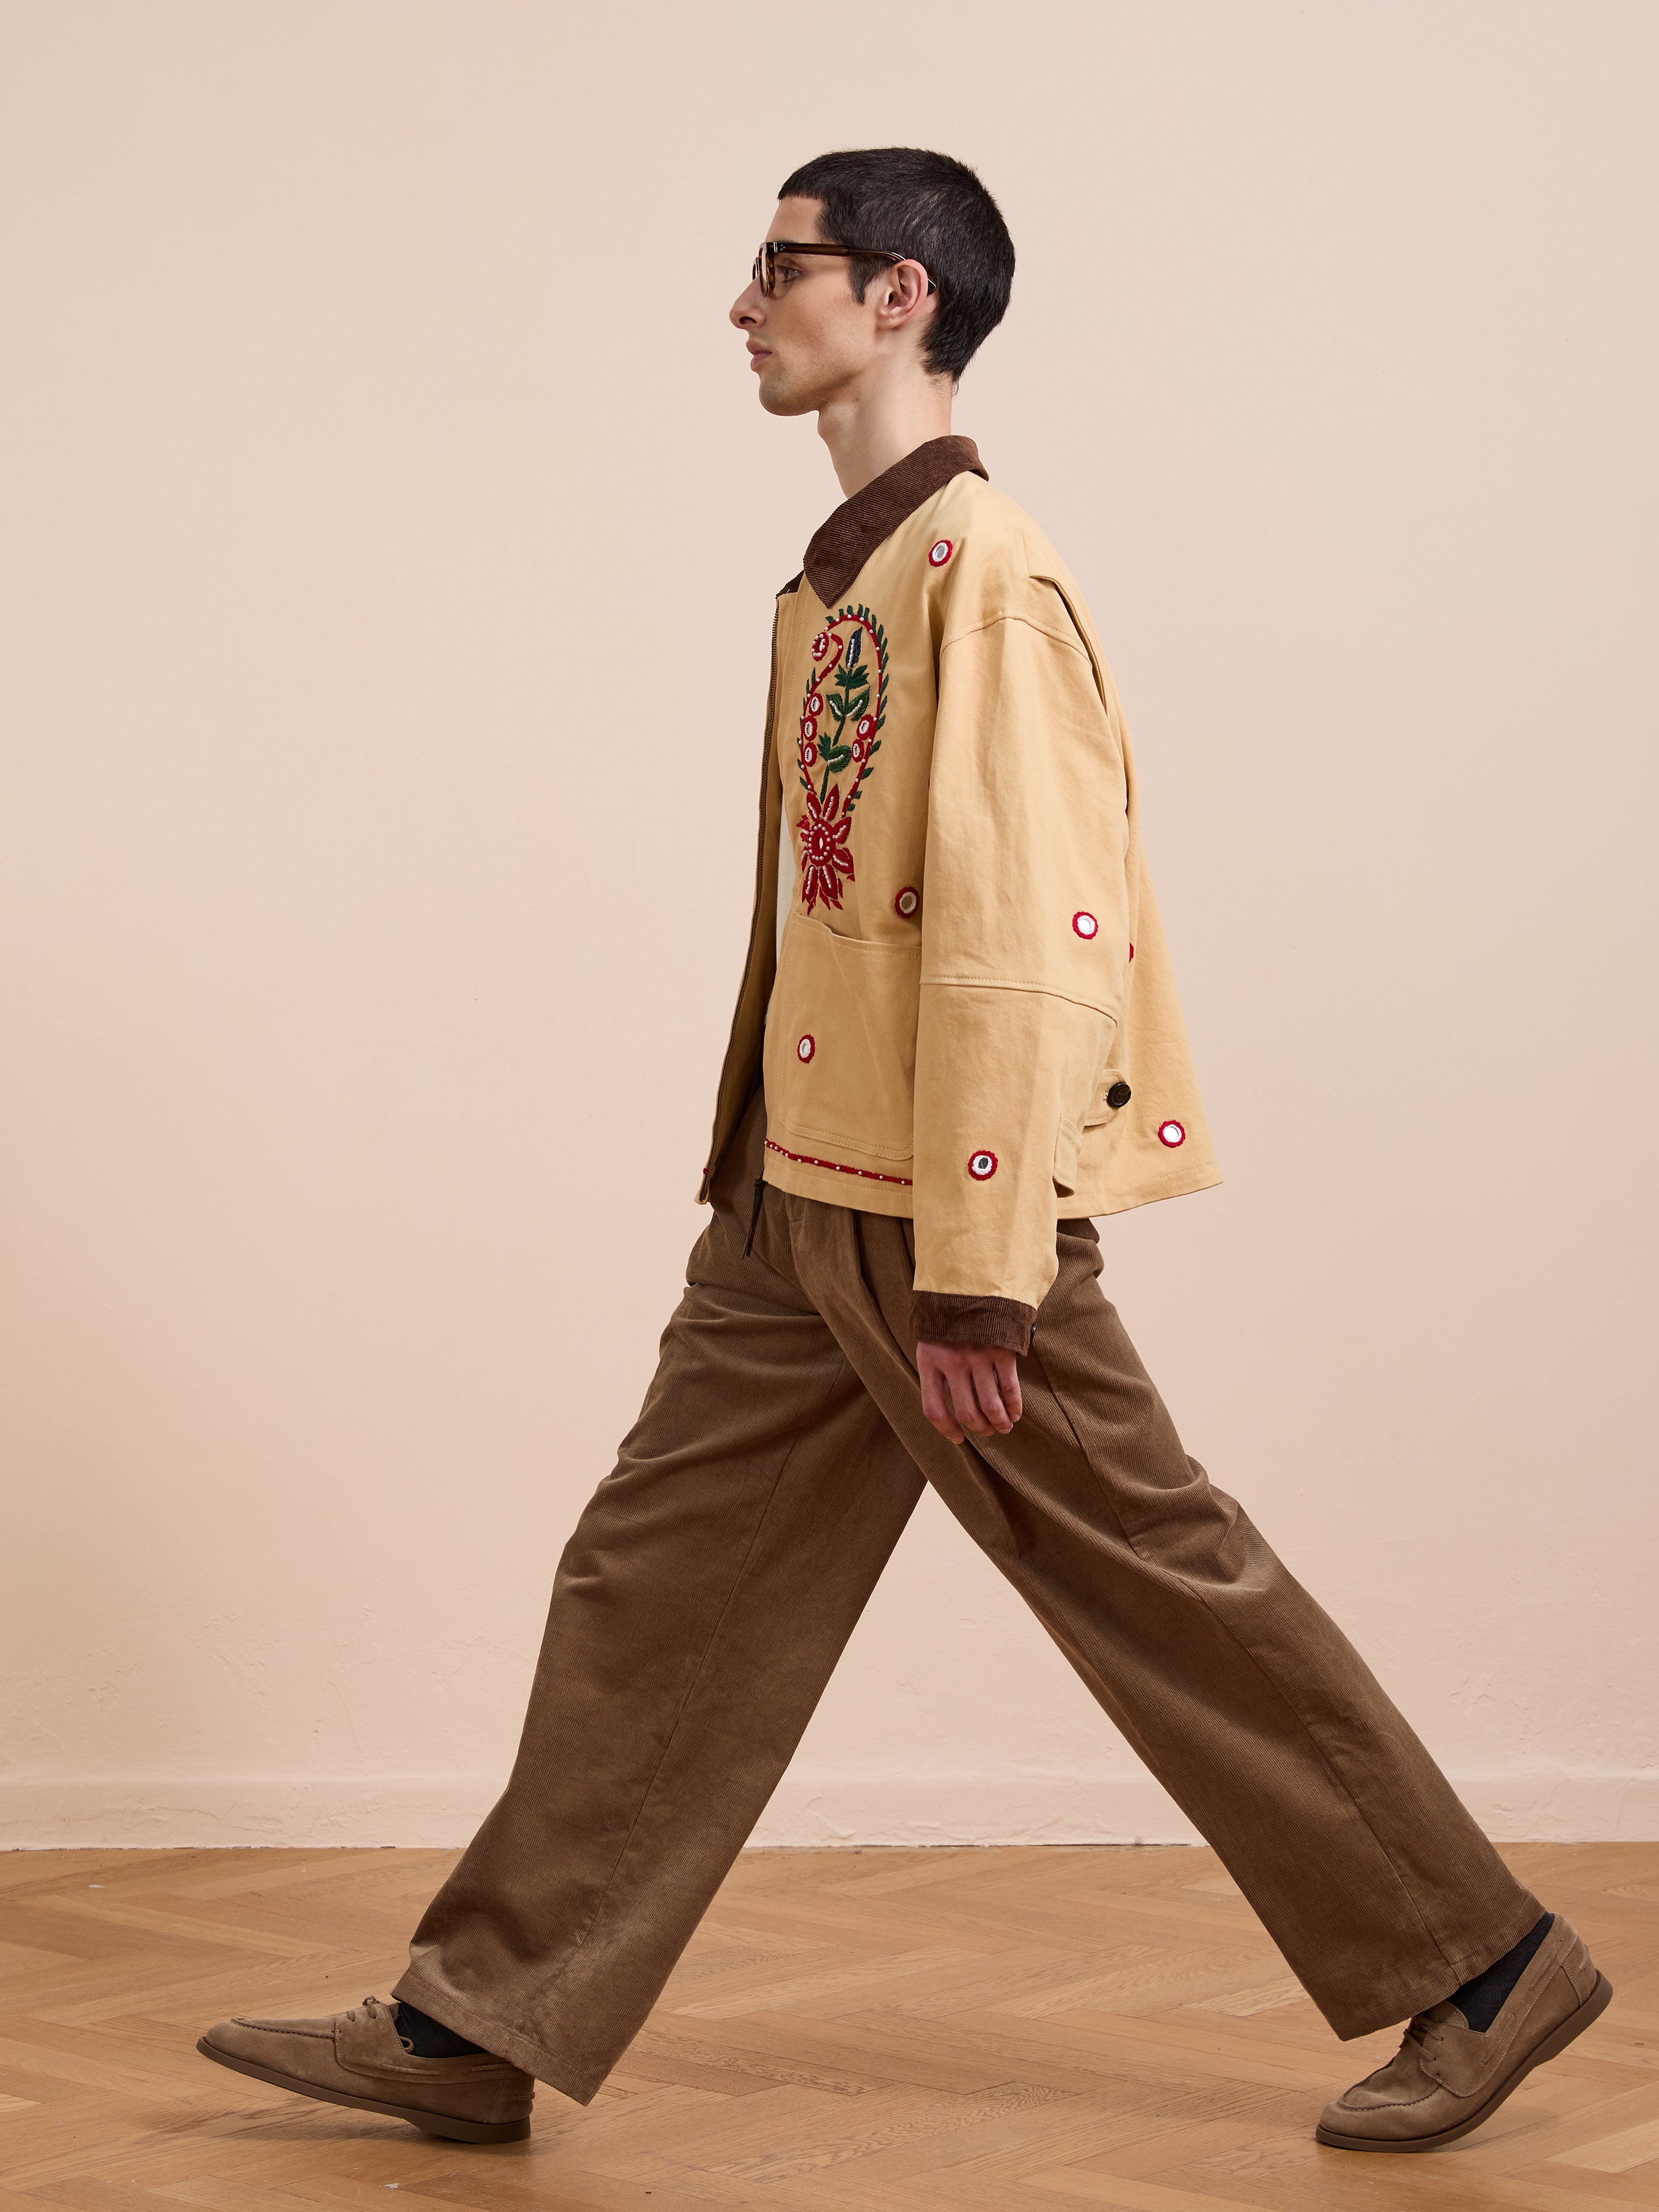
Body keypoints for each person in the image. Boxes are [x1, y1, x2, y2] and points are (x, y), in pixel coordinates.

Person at [196, 145, 1611, 2156]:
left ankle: (1484, 1963)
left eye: (782, 267)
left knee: (1153, 1577)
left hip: (935, 1215)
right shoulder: (845, 575)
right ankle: (480, 2016)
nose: (746, 302)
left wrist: (982, 1263)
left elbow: (1034, 942)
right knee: (653, 1581)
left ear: (901, 298)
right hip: (799, 1198)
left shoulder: (985, 574)